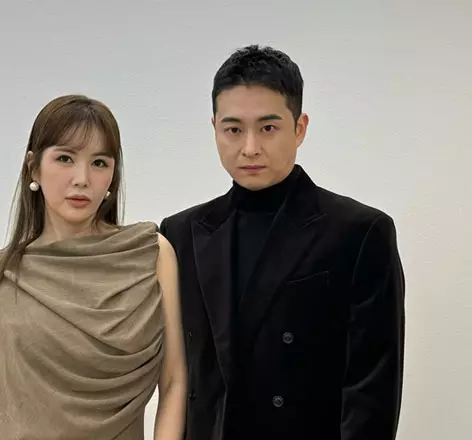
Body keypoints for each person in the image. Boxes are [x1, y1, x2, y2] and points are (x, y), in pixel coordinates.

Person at [159, 45, 405, 439]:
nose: (250, 147)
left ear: (300, 128)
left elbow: (371, 391)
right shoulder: (180, 232)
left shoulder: (359, 232)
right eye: (233, 129)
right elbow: (178, 377)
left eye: (268, 128)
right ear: (214, 128)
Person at [0, 95, 186, 440]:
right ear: (33, 167)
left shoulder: (150, 254)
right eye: (65, 158)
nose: (82, 179)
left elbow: (174, 381)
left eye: (99, 163)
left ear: (113, 174)